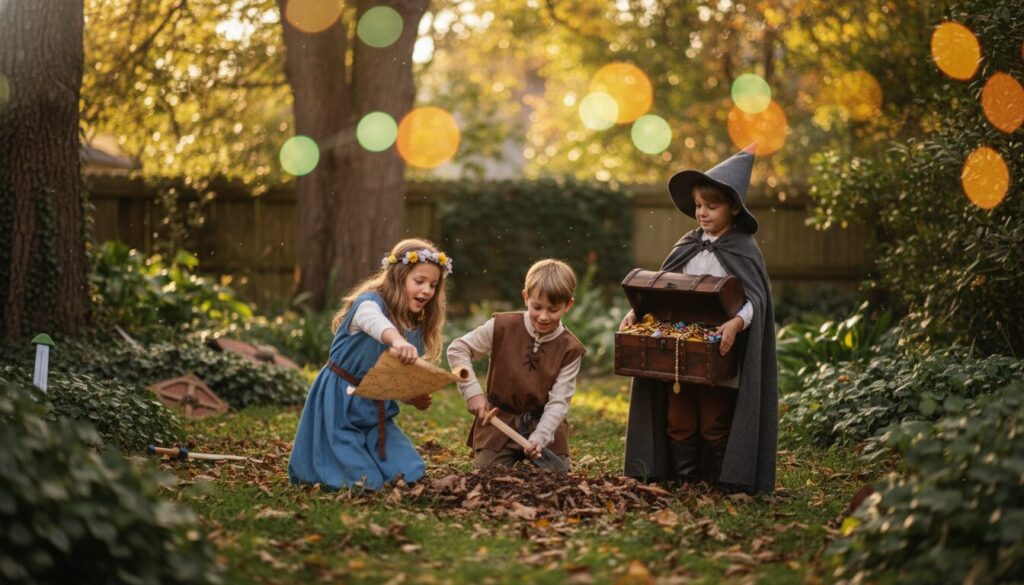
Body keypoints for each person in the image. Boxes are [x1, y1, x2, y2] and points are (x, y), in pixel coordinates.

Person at [620, 146, 778, 495]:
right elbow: (662, 290)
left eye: (711, 206)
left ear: (733, 208)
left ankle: (717, 480)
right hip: (679, 347)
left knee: (713, 420)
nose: (702, 213)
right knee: (679, 419)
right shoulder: (687, 244)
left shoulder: (745, 249)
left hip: (720, 348)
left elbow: (756, 301)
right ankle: (683, 479)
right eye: (698, 206)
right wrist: (637, 312)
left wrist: (736, 324)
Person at [288, 238, 452, 490]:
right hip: (340, 401)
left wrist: (411, 397)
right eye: (419, 281)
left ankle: (380, 462)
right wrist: (396, 341)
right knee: (364, 483)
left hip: (377, 412)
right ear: (398, 277)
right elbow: (374, 323)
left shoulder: (414, 329)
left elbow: (394, 377)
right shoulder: (369, 304)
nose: (427, 290)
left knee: (411, 472)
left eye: (433, 285)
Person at [447, 259, 586, 469]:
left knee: (557, 477)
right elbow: (457, 349)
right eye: (537, 307)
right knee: (487, 472)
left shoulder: (570, 349)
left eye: (553, 309)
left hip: (544, 423)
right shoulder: (502, 326)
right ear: (526, 297)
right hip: (499, 422)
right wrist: (472, 392)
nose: (544, 316)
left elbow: (559, 402)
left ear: (568, 305)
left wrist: (541, 436)